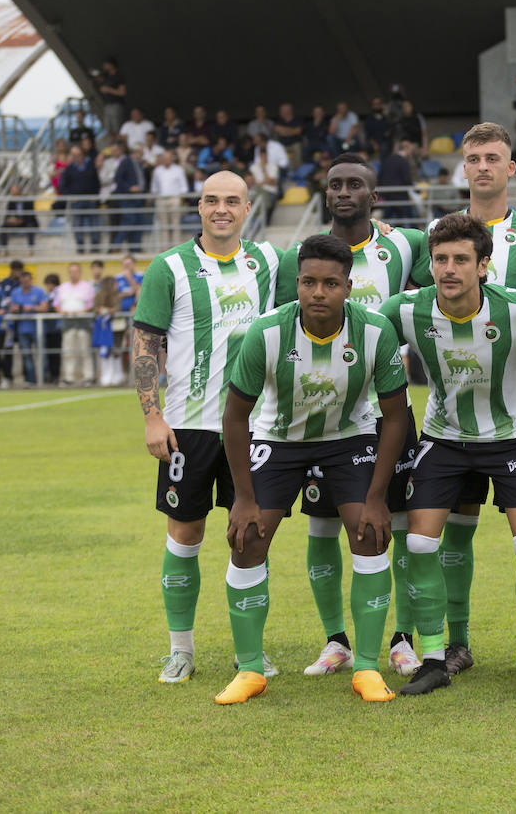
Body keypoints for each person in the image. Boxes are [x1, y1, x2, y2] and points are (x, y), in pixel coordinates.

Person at [215, 234, 410, 705]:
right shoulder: (264, 332)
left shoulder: (374, 331)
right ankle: (249, 669)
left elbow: (397, 415)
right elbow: (235, 417)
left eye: (329, 283)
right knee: (248, 539)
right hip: (279, 439)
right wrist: (243, 497)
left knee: (367, 533)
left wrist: (377, 496)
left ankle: (365, 666)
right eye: (307, 282)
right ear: (296, 284)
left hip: (349, 438)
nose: (317, 292)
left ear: (348, 286)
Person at [418, 123, 516, 678]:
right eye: (474, 159)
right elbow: (415, 309)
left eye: (494, 158)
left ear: (511, 169)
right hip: (452, 416)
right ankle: (453, 644)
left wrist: (511, 362)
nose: (483, 167)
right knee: (454, 532)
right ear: (462, 168)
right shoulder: (434, 236)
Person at [379, 213, 516, 698]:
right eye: (440, 259)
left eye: (461, 259)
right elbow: (362, 338)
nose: (449, 269)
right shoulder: (405, 309)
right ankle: (435, 657)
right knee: (418, 544)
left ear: (484, 266)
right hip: (444, 438)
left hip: (515, 436)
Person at [273, 154, 431, 680]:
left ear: (374, 195)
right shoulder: (302, 257)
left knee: (398, 526)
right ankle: (335, 640)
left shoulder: (405, 245)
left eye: (355, 185)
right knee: (321, 529)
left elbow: (466, 259)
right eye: (335, 184)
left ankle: (402, 640)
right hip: (319, 418)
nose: (344, 192)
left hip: (387, 412)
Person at [131, 170, 283, 685]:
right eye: (212, 200)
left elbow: (341, 248)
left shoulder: (269, 261)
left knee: (251, 538)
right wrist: (153, 415)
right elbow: (147, 342)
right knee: (185, 535)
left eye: (232, 201)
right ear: (199, 207)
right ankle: (181, 649)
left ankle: (250, 654)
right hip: (188, 426)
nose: (222, 209)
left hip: (256, 425)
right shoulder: (169, 268)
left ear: (247, 209)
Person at [54, 262, 95, 386]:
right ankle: (69, 377)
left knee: (85, 350)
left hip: (83, 323)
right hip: (67, 323)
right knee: (68, 351)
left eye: (76, 271)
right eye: (71, 271)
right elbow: (56, 305)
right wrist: (63, 311)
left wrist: (81, 312)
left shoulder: (87, 286)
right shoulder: (62, 287)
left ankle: (88, 377)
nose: (73, 274)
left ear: (80, 272)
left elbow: (91, 305)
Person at [9, 270, 49, 385]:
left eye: (27, 281)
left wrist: (31, 308)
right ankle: (31, 379)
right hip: (22, 329)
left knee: (41, 354)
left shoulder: (39, 291)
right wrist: (16, 309)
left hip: (37, 329)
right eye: (23, 281)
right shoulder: (16, 292)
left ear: (31, 280)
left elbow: (44, 308)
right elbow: (12, 308)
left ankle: (44, 378)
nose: (25, 283)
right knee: (26, 355)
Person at [94, 58, 127, 134]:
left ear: (111, 65)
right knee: (108, 127)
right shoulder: (107, 76)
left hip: (117, 104)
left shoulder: (119, 76)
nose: (104, 67)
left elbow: (122, 92)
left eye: (106, 64)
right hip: (108, 104)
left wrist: (109, 90)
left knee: (116, 127)